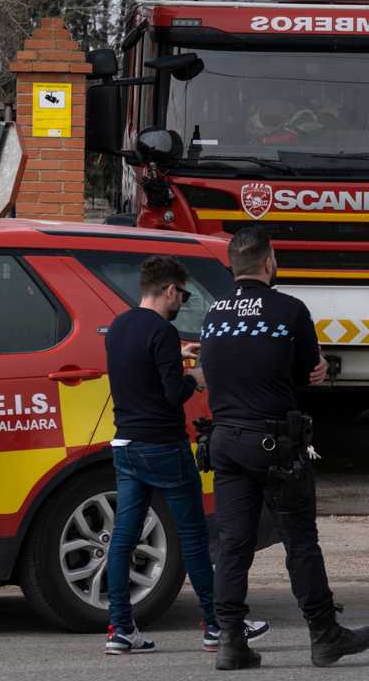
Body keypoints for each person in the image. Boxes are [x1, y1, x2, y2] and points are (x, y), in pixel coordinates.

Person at [200, 228, 369, 670]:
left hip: (224, 441)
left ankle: (230, 641)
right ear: (268, 262)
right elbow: (305, 373)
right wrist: (314, 371)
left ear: (232, 266)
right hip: (275, 443)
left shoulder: (213, 313)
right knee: (300, 542)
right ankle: (324, 633)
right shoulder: (290, 310)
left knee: (233, 544)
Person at [102, 256, 269, 655]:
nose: (182, 301)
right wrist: (193, 377)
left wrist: (177, 356)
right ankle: (217, 625)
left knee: (123, 537)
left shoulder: (119, 326)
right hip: (164, 446)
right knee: (193, 536)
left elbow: (141, 370)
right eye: (183, 293)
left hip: (126, 446)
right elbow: (171, 393)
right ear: (170, 290)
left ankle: (120, 629)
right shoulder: (161, 330)